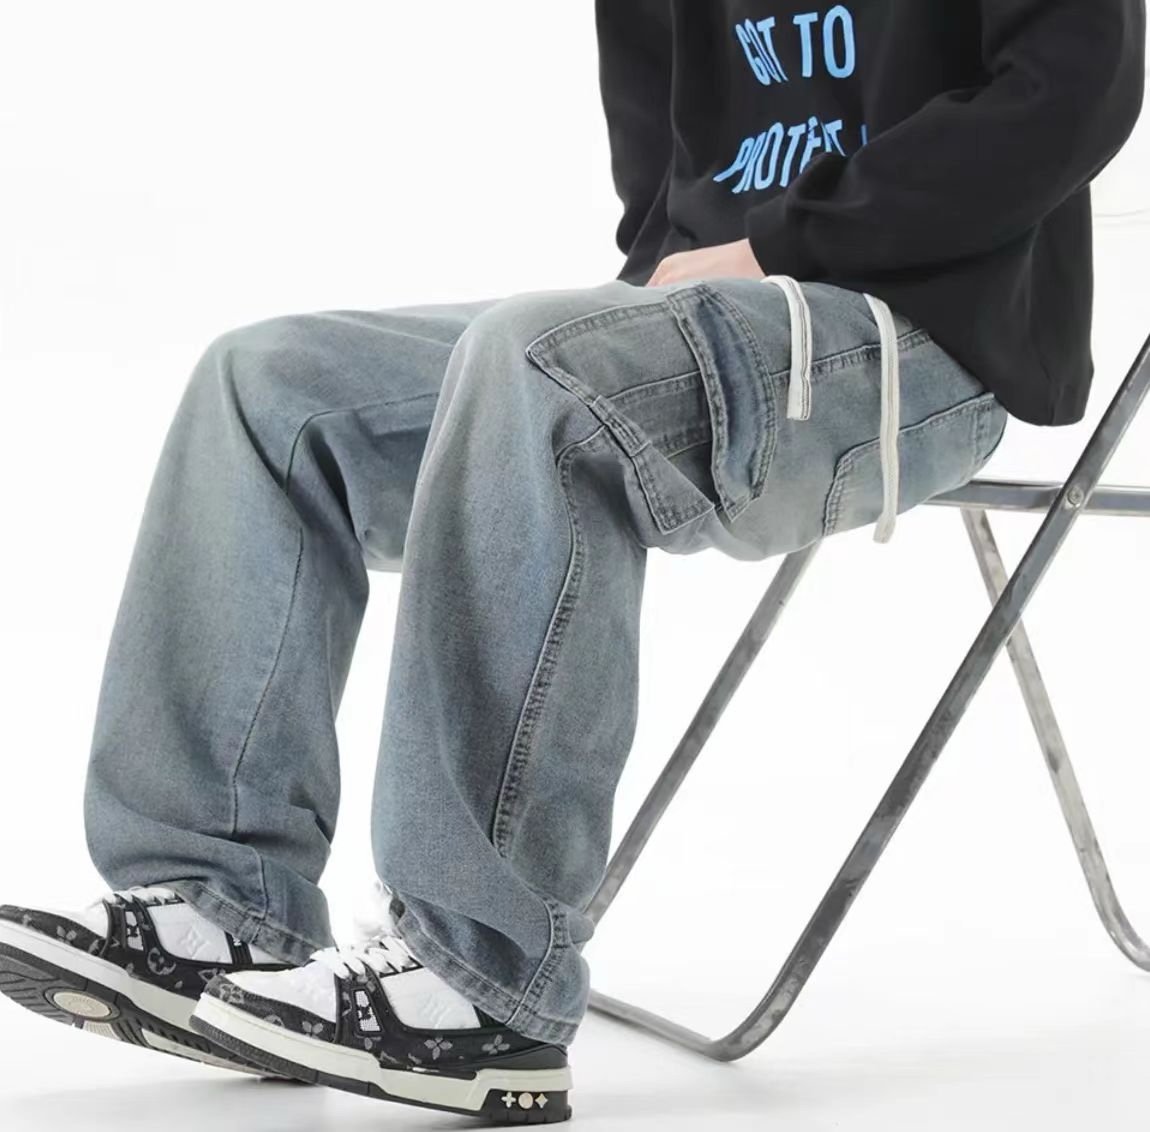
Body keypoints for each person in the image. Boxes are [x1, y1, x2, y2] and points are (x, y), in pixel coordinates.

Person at [1, 0, 1144, 1124]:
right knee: (269, 386)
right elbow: (654, 114)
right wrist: (670, 263)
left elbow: (1077, 84)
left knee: (533, 366)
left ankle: (479, 977)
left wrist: (778, 245)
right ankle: (217, 908)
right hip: (724, 301)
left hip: (921, 326)